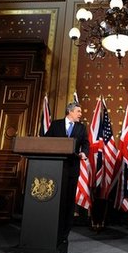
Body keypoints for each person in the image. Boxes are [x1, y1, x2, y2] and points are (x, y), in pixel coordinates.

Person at [44, 101, 89, 241]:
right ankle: (50, 230)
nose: (80, 114)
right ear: (70, 112)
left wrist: (84, 153)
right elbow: (46, 141)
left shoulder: (81, 127)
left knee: (69, 201)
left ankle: (64, 233)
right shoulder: (56, 124)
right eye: (78, 112)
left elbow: (85, 143)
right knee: (56, 198)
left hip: (72, 168)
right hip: (55, 169)